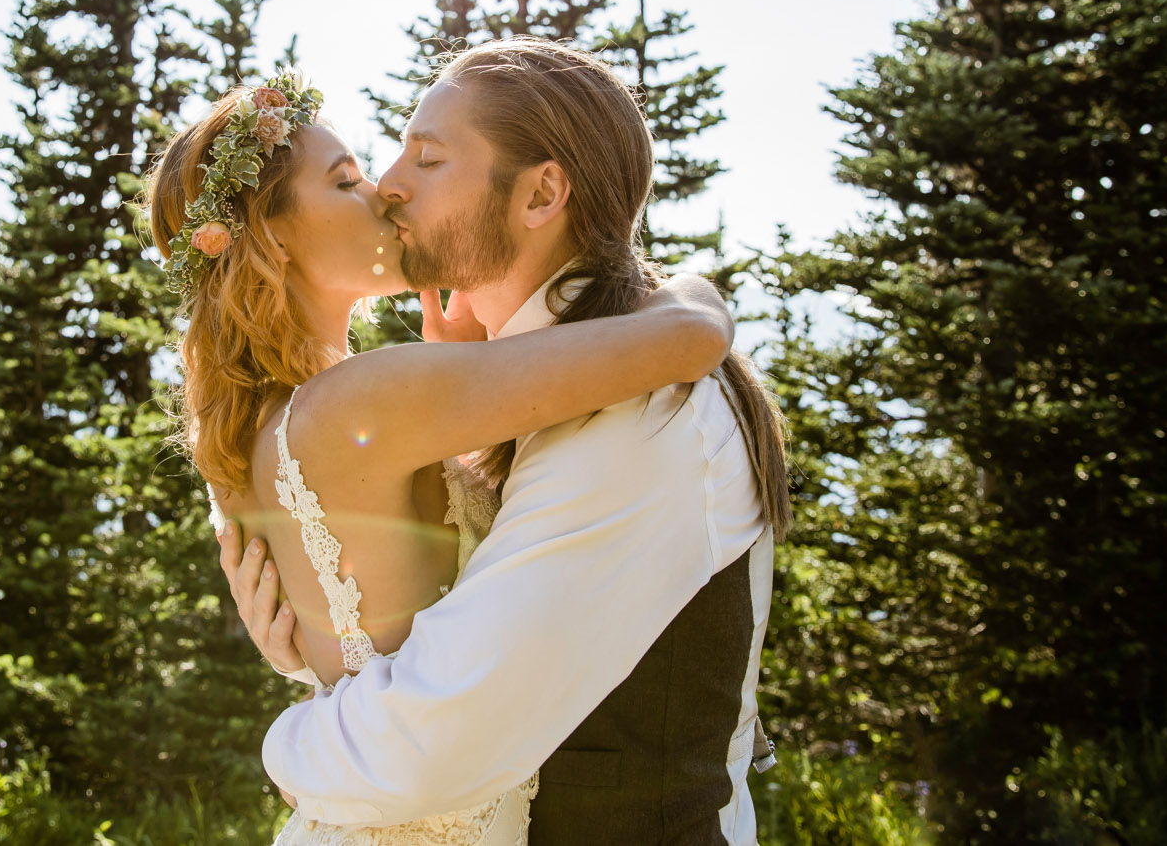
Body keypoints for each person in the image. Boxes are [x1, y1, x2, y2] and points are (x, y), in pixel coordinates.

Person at [145, 66, 737, 846]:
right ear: (277, 236)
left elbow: (377, 617)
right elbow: (687, 341)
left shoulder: (274, 421)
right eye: (346, 179)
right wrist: (692, 285)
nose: (384, 191)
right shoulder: (368, 398)